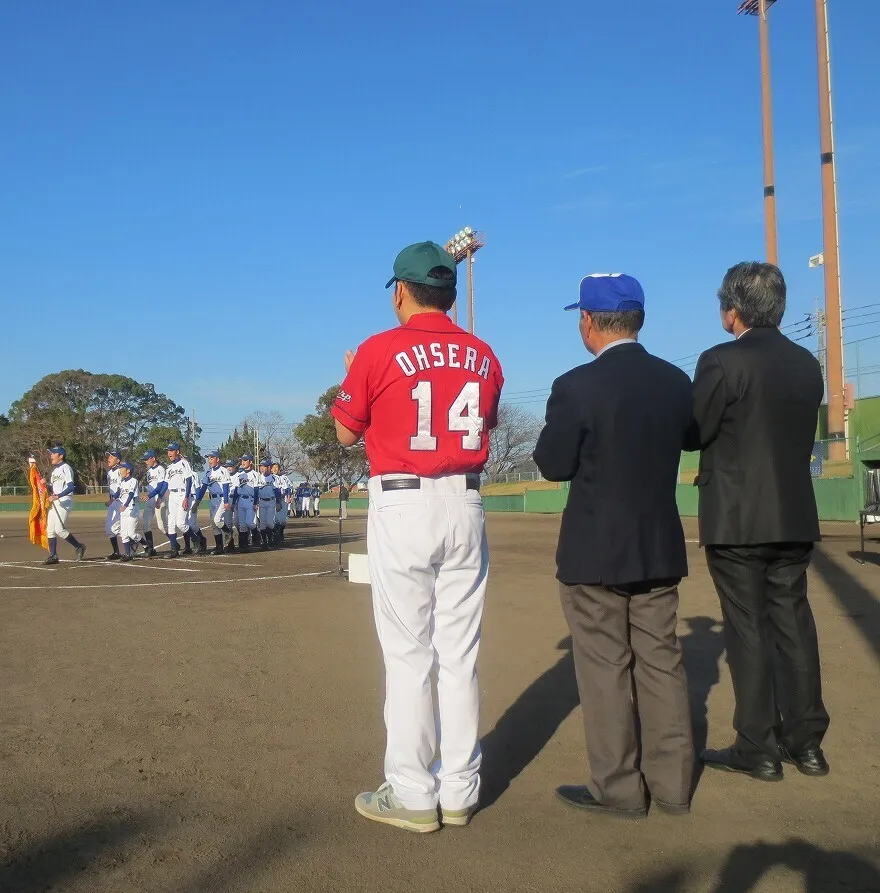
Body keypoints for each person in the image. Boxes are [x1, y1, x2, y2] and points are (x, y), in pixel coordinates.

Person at [333, 241, 503, 833]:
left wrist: (355, 372)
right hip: (466, 501)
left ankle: (412, 793)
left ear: (401, 291)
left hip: (403, 502)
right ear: (451, 294)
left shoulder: (378, 349)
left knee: (409, 656)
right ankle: (459, 790)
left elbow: (345, 433)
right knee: (460, 655)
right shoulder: (483, 352)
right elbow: (482, 419)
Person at [532, 273, 697, 818]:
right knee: (661, 663)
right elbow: (695, 436)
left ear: (588, 321)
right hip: (658, 547)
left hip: (594, 553)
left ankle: (619, 789)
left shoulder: (576, 385)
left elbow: (553, 464)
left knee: (605, 670)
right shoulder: (675, 381)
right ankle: (673, 786)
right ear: (638, 319)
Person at [693, 261, 830, 782]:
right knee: (794, 625)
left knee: (747, 629)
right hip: (793, 514)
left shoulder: (721, 360)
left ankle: (758, 747)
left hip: (736, 518)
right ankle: (806, 744)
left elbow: (696, 428)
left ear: (733, 311)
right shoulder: (806, 364)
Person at [43, 445, 86, 566]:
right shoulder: (54, 471)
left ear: (61, 456)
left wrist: (58, 496)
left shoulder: (66, 468)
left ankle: (79, 546)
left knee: (59, 530)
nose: (51, 455)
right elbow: (53, 488)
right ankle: (53, 555)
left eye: (53, 453)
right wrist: (45, 484)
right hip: (56, 502)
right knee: (50, 530)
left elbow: (71, 487)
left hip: (65, 501)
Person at [163, 442, 195, 558]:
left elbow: (189, 480)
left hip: (182, 494)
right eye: (168, 451)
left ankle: (196, 540)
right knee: (171, 523)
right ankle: (174, 549)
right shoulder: (169, 468)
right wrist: (159, 498)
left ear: (177, 452)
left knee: (181, 524)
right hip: (172, 495)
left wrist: (186, 497)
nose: (169, 453)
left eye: (171, 450)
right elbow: (165, 484)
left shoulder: (184, 463)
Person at [139, 450, 168, 558]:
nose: (146, 461)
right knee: (145, 523)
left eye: (147, 459)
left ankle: (175, 544)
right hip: (150, 499)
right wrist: (148, 496)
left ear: (153, 458)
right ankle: (150, 549)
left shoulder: (161, 469)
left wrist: (153, 497)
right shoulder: (149, 472)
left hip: (159, 498)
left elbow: (160, 486)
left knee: (162, 526)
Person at [201, 451, 231, 554]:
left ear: (217, 459)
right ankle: (219, 547)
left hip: (221, 498)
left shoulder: (223, 470)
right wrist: (198, 501)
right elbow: (204, 487)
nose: (209, 460)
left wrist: (226, 501)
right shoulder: (208, 472)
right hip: (212, 499)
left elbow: (225, 486)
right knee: (214, 524)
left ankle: (228, 532)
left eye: (212, 458)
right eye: (209, 458)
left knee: (217, 520)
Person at [230, 454, 258, 552]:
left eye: (245, 460)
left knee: (249, 522)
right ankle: (243, 545)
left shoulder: (255, 474)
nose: (243, 462)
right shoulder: (240, 475)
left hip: (250, 500)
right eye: (242, 460)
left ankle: (256, 533)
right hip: (241, 500)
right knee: (242, 525)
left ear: (250, 462)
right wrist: (233, 503)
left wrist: (255, 502)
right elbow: (236, 490)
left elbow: (256, 490)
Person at [115, 461, 141, 561]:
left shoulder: (133, 481)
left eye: (122, 468)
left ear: (128, 470)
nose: (120, 470)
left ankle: (145, 543)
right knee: (124, 533)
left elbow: (131, 494)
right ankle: (127, 554)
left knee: (131, 534)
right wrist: (112, 499)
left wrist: (125, 505)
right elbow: (118, 493)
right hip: (124, 510)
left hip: (131, 509)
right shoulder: (122, 482)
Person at [103, 450, 124, 560]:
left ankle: (139, 542)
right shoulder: (109, 473)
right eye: (108, 457)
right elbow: (111, 489)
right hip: (113, 502)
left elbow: (121, 488)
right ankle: (116, 552)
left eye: (112, 457)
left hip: (121, 502)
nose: (109, 459)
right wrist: (111, 500)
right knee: (108, 528)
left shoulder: (122, 470)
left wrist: (113, 499)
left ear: (118, 460)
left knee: (116, 528)